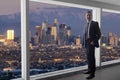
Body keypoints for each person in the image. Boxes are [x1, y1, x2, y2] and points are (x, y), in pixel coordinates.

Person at [82, 11, 101, 79]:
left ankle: (92, 74)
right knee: (88, 58)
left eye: (89, 15)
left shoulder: (95, 23)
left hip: (91, 43)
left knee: (92, 58)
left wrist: (94, 41)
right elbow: (84, 35)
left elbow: (99, 35)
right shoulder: (86, 25)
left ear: (91, 16)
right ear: (85, 16)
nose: (88, 16)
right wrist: (83, 44)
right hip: (86, 44)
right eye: (87, 15)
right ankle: (89, 70)